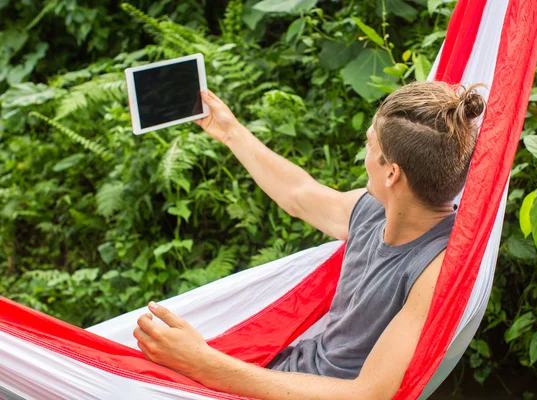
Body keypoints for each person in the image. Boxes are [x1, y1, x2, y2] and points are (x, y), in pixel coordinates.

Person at [133, 81, 485, 400]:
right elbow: (299, 196)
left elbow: (369, 394)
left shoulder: (435, 268)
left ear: (391, 173)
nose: (364, 155)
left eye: (369, 144)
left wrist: (203, 363)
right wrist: (230, 131)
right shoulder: (377, 211)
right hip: (283, 373)